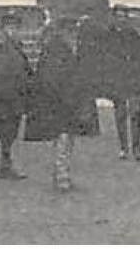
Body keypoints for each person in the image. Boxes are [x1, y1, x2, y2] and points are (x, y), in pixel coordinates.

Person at [23, 12, 98, 193]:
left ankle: (62, 175)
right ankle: (61, 177)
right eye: (70, 30)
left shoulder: (69, 48)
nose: (72, 34)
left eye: (74, 31)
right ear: (63, 31)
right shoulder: (56, 49)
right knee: (63, 140)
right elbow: (50, 78)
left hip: (70, 101)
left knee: (67, 140)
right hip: (59, 102)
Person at [0, 11, 32, 181]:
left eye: (15, 28)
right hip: (0, 101)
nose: (13, 31)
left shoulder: (19, 50)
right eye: (9, 28)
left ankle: (5, 166)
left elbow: (25, 73)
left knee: (10, 135)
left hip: (16, 100)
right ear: (2, 31)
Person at [97, 5, 140, 160]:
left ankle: (137, 147)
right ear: (114, 18)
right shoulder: (108, 35)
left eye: (124, 17)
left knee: (135, 113)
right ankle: (124, 147)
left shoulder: (133, 34)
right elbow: (103, 56)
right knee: (120, 114)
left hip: (133, 79)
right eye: (118, 16)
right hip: (117, 80)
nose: (121, 20)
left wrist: (137, 67)